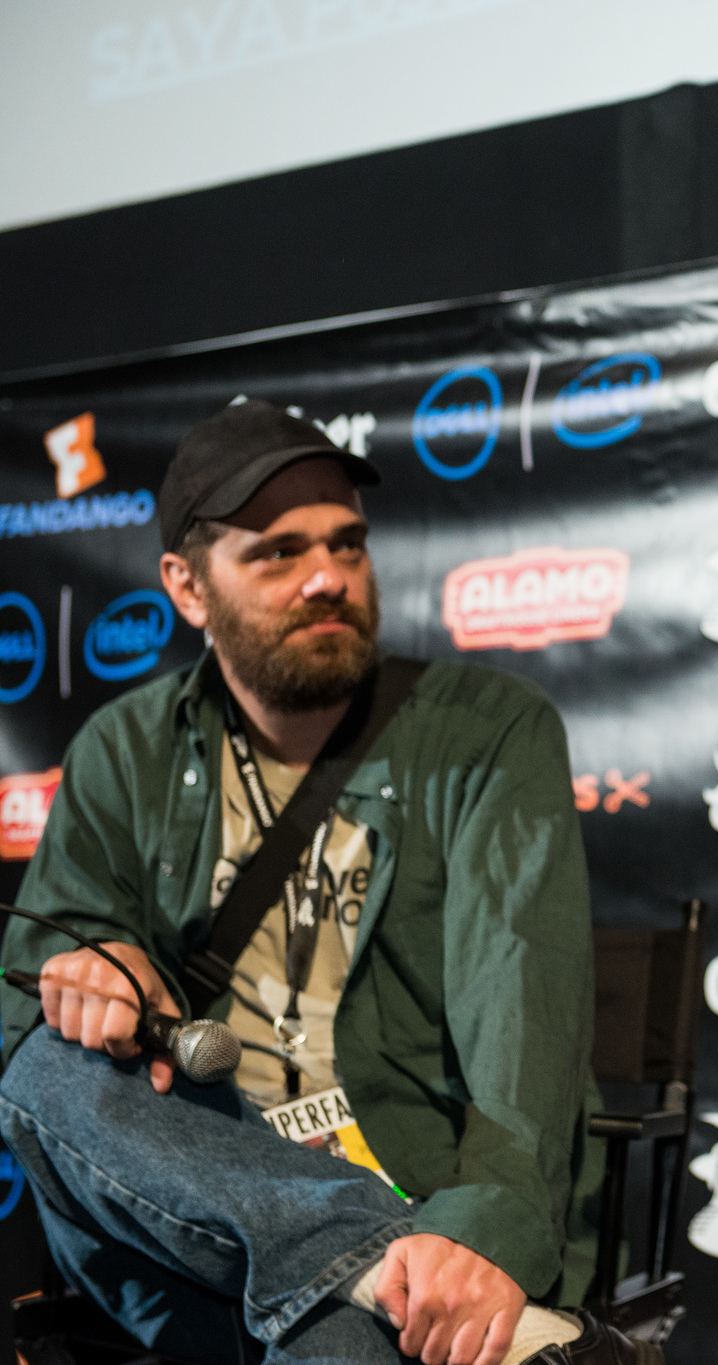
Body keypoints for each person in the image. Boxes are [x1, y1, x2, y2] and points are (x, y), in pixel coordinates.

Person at [0, 400, 653, 1365]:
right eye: (277, 553)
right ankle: (368, 1261)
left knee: (343, 1335)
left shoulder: (486, 732)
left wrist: (480, 1236)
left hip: (417, 1204)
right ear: (186, 586)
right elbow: (31, 1010)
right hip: (197, 1232)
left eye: (348, 546)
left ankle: (365, 1271)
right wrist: (98, 975)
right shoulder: (125, 750)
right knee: (45, 1062)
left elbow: (524, 1022)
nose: (327, 578)